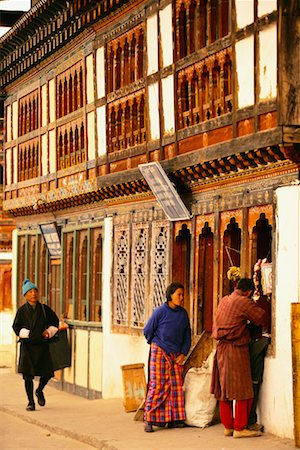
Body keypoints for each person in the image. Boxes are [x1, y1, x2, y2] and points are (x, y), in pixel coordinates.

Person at [210, 278, 268, 438]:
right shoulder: (243, 301)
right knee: (244, 389)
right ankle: (240, 428)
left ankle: (228, 426)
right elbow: (261, 317)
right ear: (249, 292)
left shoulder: (224, 300)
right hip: (236, 349)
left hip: (221, 348)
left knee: (223, 391)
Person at [143, 282, 191, 433]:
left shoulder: (183, 314)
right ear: (170, 295)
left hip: (176, 355)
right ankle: (149, 418)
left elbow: (187, 336)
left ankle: (173, 419)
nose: (182, 298)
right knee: (157, 385)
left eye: (183, 295)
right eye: (179, 295)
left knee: (175, 386)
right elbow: (148, 330)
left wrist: (183, 353)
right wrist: (156, 344)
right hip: (160, 352)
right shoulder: (160, 311)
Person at [12, 279, 59, 411]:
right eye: (30, 292)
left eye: (35, 291)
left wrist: (48, 332)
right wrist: (27, 333)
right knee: (27, 375)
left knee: (47, 373)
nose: (33, 294)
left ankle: (39, 390)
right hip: (27, 346)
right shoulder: (21, 311)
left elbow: (55, 322)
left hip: (42, 345)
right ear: (25, 295)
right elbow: (16, 327)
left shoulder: (44, 309)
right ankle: (31, 402)